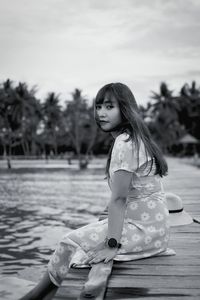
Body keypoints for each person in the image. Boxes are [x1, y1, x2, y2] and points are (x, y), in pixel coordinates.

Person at [20, 82, 170, 300]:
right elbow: (128, 195)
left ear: (125, 109)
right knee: (80, 241)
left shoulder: (124, 142)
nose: (101, 113)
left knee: (69, 241)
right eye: (98, 107)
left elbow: (119, 199)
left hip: (144, 231)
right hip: (156, 229)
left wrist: (111, 245)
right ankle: (40, 296)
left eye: (109, 107)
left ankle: (34, 296)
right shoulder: (134, 137)